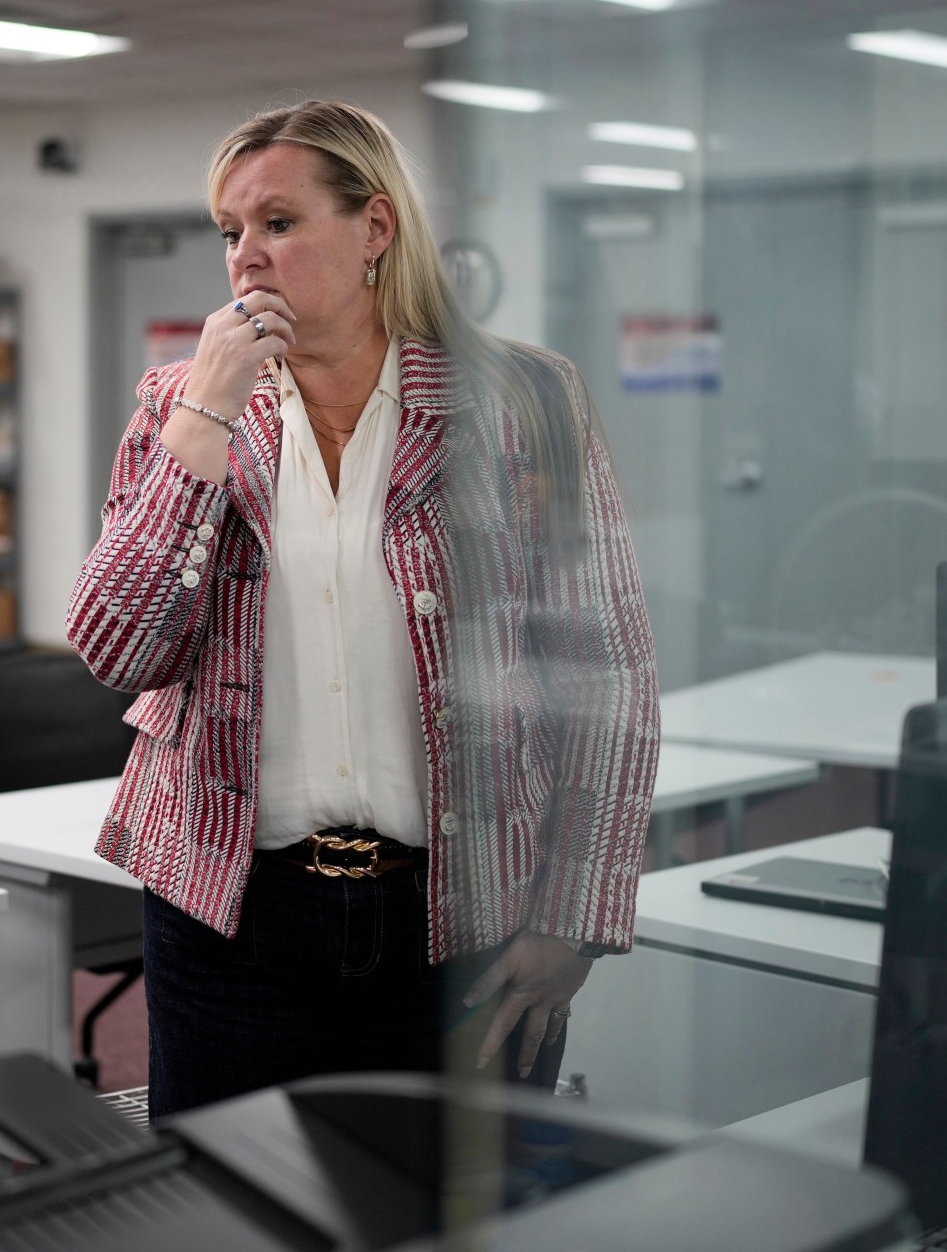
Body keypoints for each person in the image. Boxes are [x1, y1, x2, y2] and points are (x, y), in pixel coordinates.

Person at [65, 100, 661, 1116]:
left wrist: (572, 918)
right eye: (230, 231)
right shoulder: (179, 405)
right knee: (236, 1217)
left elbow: (604, 673)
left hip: (465, 911)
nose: (245, 256)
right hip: (229, 912)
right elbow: (117, 645)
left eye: (278, 223)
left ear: (374, 230)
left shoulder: (523, 403)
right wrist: (206, 412)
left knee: (440, 1219)